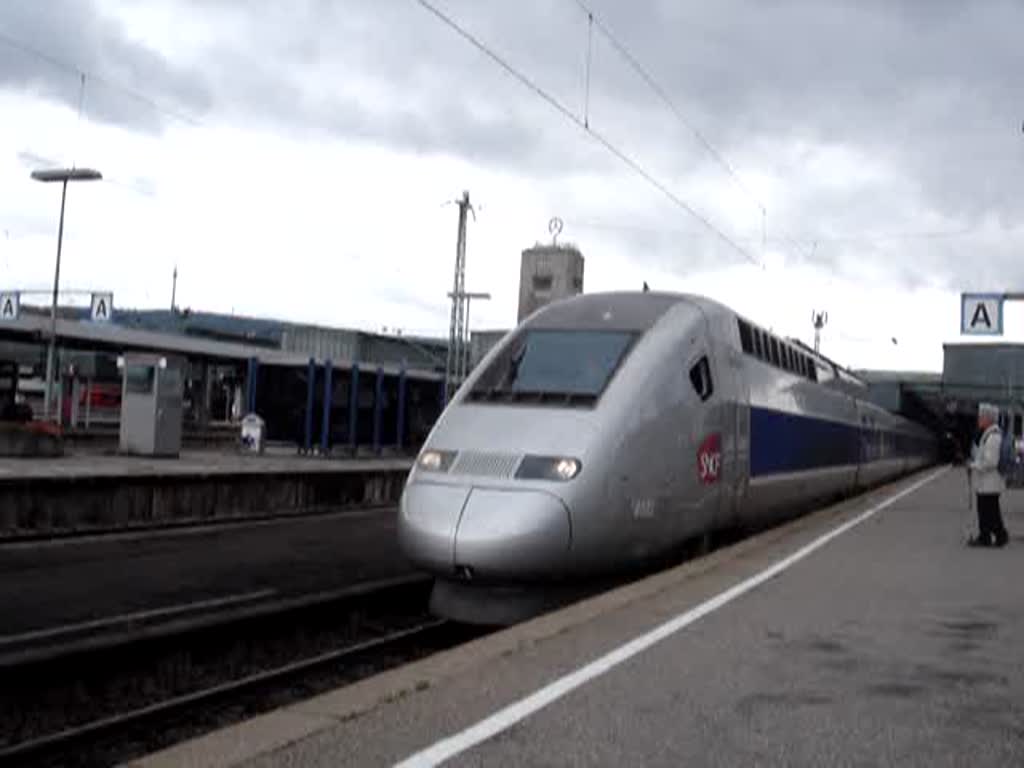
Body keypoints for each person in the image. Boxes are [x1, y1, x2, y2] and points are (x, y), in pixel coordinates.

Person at [967, 403, 1010, 548]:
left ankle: (1000, 535)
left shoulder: (993, 437)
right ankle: (986, 536)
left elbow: (991, 462)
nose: (979, 420)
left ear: (988, 419)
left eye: (981, 417)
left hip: (990, 482)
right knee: (986, 511)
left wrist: (974, 465)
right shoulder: (989, 435)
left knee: (990, 512)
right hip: (987, 482)